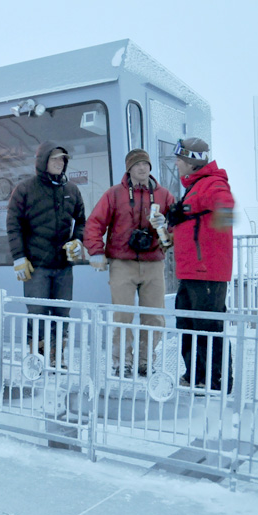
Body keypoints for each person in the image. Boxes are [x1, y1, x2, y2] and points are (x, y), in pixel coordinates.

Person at [150, 137, 235, 392]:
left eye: (179, 159)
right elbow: (199, 225)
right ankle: (196, 376)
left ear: (191, 162)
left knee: (208, 327)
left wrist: (185, 208)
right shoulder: (196, 186)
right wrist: (170, 232)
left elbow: (225, 209)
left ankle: (218, 381)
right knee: (187, 325)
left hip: (208, 272)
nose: (175, 164)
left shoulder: (214, 183)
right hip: (191, 272)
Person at [84, 149, 175, 378]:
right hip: (122, 262)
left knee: (154, 316)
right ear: (129, 169)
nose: (142, 168)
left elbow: (177, 226)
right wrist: (96, 251)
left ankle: (145, 360)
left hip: (154, 262)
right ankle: (121, 361)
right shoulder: (114, 194)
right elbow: (95, 223)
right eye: (137, 165)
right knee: (122, 315)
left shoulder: (164, 196)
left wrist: (166, 229)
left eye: (145, 164)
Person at [7, 141, 86, 369]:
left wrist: (77, 240)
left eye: (62, 159)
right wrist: (19, 257)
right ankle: (36, 359)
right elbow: (13, 225)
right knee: (38, 313)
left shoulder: (71, 190)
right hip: (36, 266)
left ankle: (56, 357)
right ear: (43, 162)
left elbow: (81, 220)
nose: (59, 163)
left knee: (62, 313)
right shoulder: (25, 189)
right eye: (54, 159)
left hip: (63, 265)